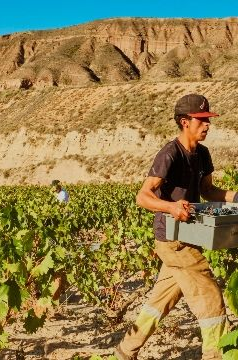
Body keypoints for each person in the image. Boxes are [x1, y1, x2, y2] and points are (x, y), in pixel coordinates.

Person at [115, 94, 235, 360]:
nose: (207, 125)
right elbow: (143, 196)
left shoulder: (202, 154)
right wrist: (171, 207)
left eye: (208, 120)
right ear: (184, 122)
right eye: (201, 120)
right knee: (209, 294)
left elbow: (208, 190)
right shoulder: (170, 154)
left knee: (161, 299)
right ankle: (217, 355)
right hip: (172, 238)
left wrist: (236, 197)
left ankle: (125, 350)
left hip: (189, 233)